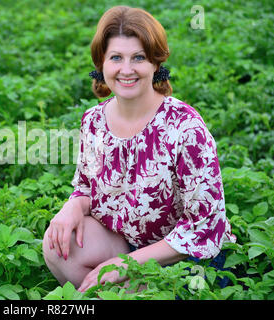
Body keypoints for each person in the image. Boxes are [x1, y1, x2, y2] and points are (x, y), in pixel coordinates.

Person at [42, 5, 236, 293]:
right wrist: (72, 206)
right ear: (101, 64)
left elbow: (204, 225)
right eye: (116, 57)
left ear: (155, 64)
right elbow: (86, 186)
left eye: (139, 58)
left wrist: (125, 265)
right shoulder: (94, 120)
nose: (127, 69)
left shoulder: (184, 127)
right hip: (126, 241)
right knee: (57, 245)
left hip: (185, 256)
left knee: (154, 290)